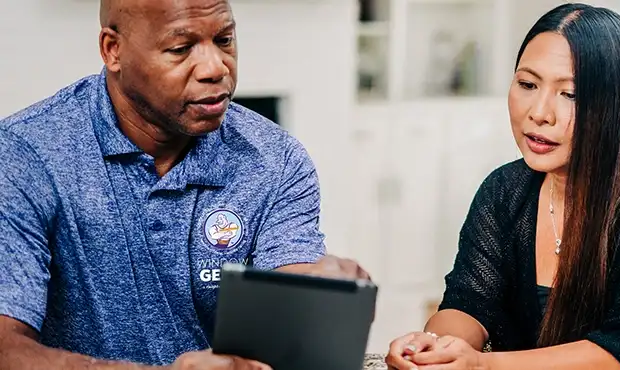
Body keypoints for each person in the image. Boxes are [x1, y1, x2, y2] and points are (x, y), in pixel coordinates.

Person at [0, 0, 370, 369]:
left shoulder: (275, 159)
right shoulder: (26, 154)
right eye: (180, 48)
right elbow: (6, 349)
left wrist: (322, 288)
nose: (216, 68)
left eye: (224, 40)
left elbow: (290, 287)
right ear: (113, 50)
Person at [386, 3, 620, 370]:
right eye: (527, 84)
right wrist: (435, 347)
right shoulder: (505, 190)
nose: (539, 113)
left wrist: (483, 365)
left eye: (571, 94)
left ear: (616, 103)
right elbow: (469, 301)